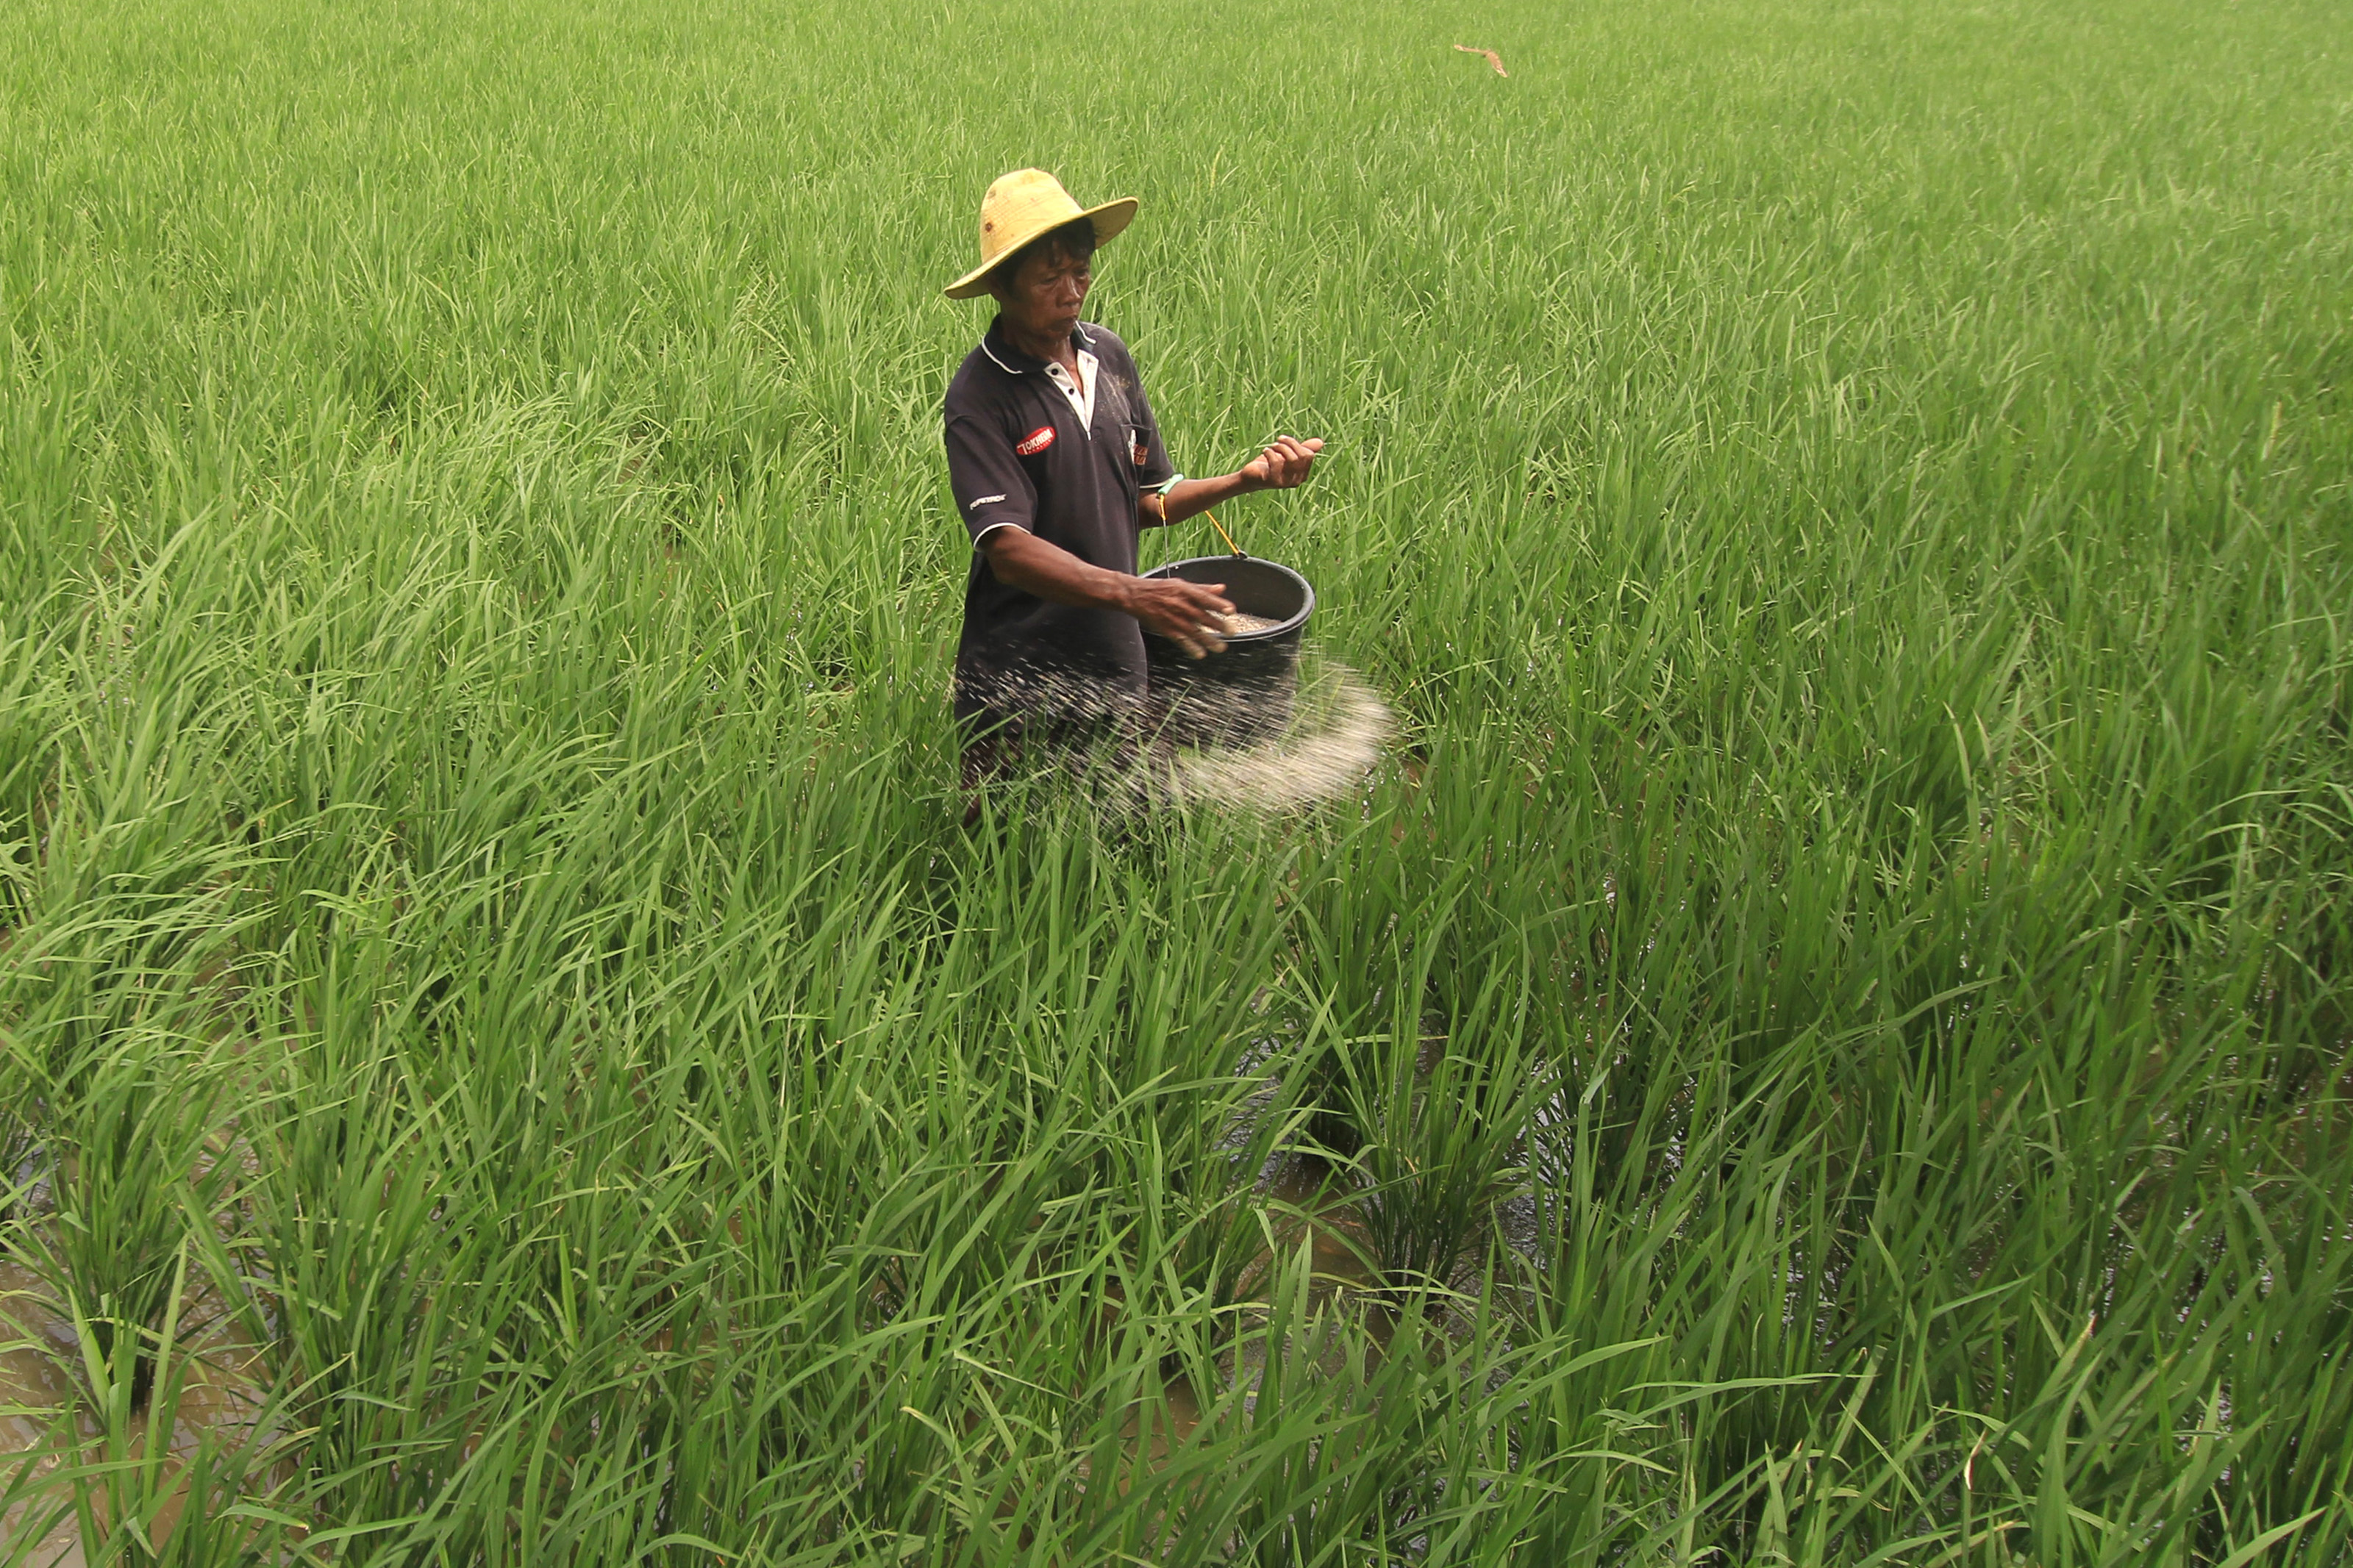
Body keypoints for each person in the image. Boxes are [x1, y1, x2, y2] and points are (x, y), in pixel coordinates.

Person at [940, 168, 1321, 807]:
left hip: (1115, 663)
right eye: (1048, 278)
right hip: (1017, 676)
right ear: (1001, 287)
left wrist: (1241, 480)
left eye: (1081, 272)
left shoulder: (1109, 358)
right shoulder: (980, 395)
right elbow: (1007, 548)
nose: (1071, 293)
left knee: (1137, 847)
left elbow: (1147, 497)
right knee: (999, 862)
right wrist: (1138, 594)